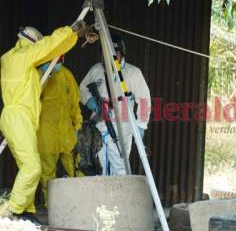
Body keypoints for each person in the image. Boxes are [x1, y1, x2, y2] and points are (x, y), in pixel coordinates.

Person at [0, 21, 84, 223]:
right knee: (33, 167)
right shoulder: (22, 56)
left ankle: (26, 210)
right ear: (30, 44)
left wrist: (45, 70)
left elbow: (32, 80)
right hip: (18, 117)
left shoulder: (18, 62)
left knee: (27, 166)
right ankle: (13, 210)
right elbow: (49, 46)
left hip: (23, 118)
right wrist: (71, 32)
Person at [80, 35, 151, 175]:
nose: (110, 57)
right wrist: (89, 100)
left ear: (121, 53)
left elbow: (144, 100)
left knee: (120, 166)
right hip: (99, 122)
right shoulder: (96, 70)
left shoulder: (133, 73)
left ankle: (118, 195)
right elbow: (82, 87)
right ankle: (102, 195)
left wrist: (141, 124)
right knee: (99, 165)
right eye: (106, 53)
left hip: (123, 127)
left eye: (114, 53)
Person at [37, 55, 82, 208]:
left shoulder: (67, 75)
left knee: (75, 168)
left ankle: (81, 202)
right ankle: (51, 206)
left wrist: (77, 126)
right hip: (46, 132)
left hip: (67, 132)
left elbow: (75, 104)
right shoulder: (40, 77)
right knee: (47, 172)